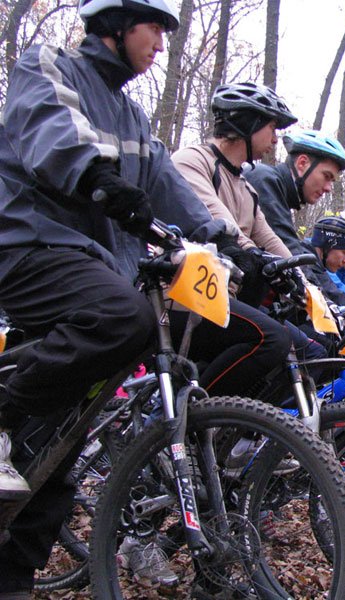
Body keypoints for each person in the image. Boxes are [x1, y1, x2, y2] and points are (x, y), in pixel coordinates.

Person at [0, 1, 289, 592]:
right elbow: (54, 131)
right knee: (124, 317)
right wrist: (99, 179)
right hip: (28, 243)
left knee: (65, 432)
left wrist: (229, 246)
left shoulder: (133, 116)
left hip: (93, 264)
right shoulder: (48, 65)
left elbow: (165, 185)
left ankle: (12, 575)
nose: (161, 41)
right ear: (115, 22)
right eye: (154, 27)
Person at [171, 81, 328, 362]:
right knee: (273, 339)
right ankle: (205, 393)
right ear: (249, 123)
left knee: (303, 349)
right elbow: (218, 221)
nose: (276, 140)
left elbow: (271, 241)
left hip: (226, 297)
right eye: (272, 128)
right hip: (184, 295)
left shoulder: (246, 188)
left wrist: (309, 292)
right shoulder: (193, 161)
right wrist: (257, 255)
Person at [244, 130, 345, 256]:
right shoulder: (264, 180)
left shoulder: (281, 193)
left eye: (332, 181)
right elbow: (288, 251)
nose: (328, 188)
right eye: (326, 176)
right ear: (302, 163)